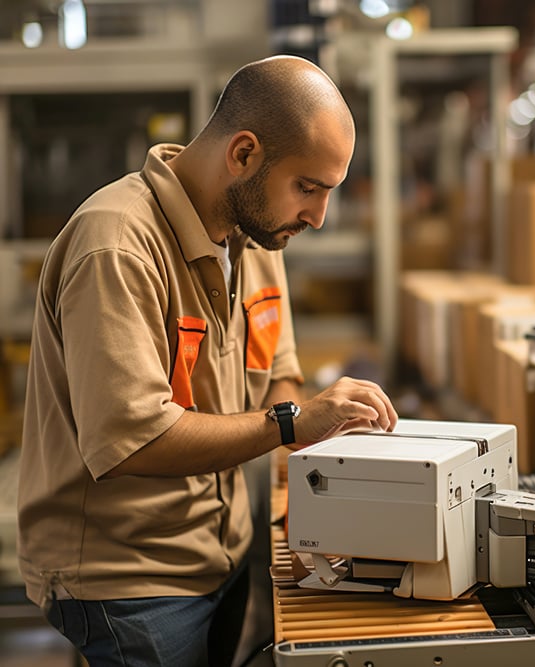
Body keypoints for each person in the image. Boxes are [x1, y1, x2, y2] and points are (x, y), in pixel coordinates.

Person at [17, 55, 398, 666]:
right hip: (131, 579)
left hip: (222, 552)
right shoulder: (117, 246)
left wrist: (336, 469)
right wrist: (292, 424)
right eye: (308, 188)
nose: (318, 218)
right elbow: (130, 442)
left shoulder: (260, 235)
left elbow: (279, 375)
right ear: (244, 154)